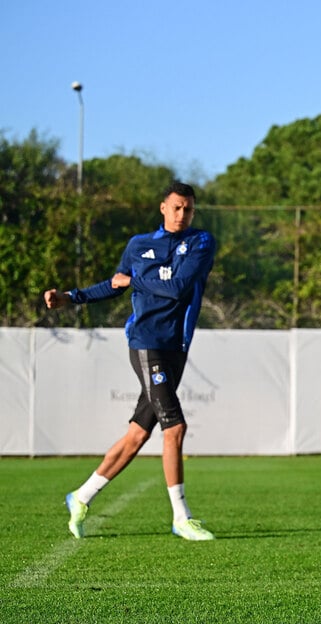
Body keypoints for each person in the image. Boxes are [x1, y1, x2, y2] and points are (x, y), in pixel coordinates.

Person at [44, 181, 217, 542]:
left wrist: (137, 279)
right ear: (162, 207)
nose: (182, 214)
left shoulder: (200, 242)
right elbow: (115, 284)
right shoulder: (139, 245)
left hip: (176, 346)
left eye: (188, 208)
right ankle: (181, 517)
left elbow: (178, 288)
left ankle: (81, 496)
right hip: (146, 343)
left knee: (138, 434)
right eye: (176, 207)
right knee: (175, 428)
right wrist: (70, 297)